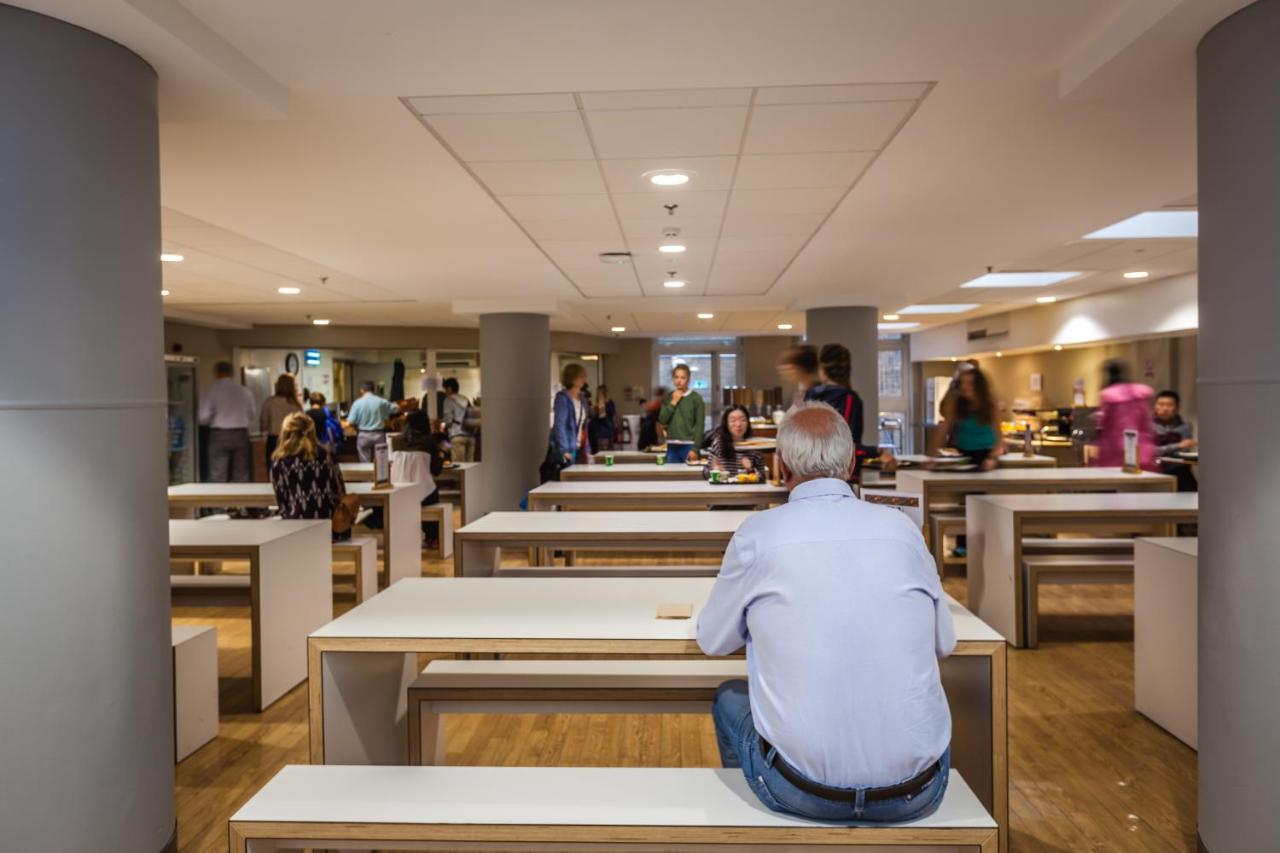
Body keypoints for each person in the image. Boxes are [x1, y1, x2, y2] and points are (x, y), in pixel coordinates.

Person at [697, 402, 954, 823]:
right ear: (852, 464)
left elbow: (713, 641)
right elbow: (945, 642)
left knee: (730, 697)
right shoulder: (903, 529)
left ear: (780, 466)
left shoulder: (757, 534)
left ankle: (759, 829)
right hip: (918, 789)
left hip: (803, 791)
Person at [804, 343, 893, 482]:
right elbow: (845, 447)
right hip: (842, 477)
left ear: (822, 369)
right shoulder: (850, 399)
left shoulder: (811, 396)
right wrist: (879, 452)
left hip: (810, 475)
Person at [268, 412, 350, 542]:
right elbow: (340, 490)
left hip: (296, 530)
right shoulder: (327, 456)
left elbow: (282, 503)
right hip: (330, 528)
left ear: (285, 434)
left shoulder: (280, 462)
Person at [928, 363, 1003, 472]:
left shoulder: (990, 405)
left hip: (988, 456)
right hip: (963, 455)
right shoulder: (957, 404)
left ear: (979, 386)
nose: (964, 387)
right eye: (962, 383)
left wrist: (992, 458)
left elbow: (999, 440)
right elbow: (943, 429)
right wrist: (932, 457)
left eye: (969, 383)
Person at [392, 410, 447, 548]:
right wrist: (442, 453)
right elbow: (436, 471)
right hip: (422, 493)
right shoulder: (429, 441)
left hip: (398, 491)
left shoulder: (396, 441)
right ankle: (432, 537)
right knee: (430, 489)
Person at [1089, 360, 1157, 470]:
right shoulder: (1142, 393)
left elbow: (1103, 422)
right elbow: (1147, 420)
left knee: (1116, 476)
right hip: (1142, 445)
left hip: (1114, 447)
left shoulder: (1108, 395)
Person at [198, 360, 257, 483]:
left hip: (219, 434)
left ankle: (220, 495)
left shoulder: (211, 390)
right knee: (241, 473)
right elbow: (252, 415)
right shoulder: (245, 391)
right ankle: (240, 495)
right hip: (241, 433)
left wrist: (213, 418)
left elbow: (203, 417)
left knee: (218, 473)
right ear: (232, 373)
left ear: (216, 373)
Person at [546, 363, 588, 478]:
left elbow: (584, 426)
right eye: (581, 376)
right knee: (565, 480)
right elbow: (559, 425)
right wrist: (563, 450)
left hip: (578, 448)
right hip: (567, 448)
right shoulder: (562, 399)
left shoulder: (583, 399)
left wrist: (587, 449)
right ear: (572, 379)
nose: (584, 379)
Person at [658, 364, 706, 464]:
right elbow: (662, 419)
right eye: (676, 377)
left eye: (682, 377)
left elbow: (700, 425)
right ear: (673, 379)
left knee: (689, 474)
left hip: (689, 446)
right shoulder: (668, 397)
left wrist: (695, 449)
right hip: (672, 446)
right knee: (671, 473)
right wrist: (673, 402)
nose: (679, 381)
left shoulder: (696, 398)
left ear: (688, 379)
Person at [1153, 389, 1198, 491]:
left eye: (1170, 405)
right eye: (1161, 404)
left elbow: (1183, 452)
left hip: (1180, 471)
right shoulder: (1147, 426)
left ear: (1177, 408)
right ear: (1155, 406)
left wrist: (1164, 449)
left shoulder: (1185, 426)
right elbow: (1150, 451)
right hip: (1155, 470)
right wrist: (1177, 445)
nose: (1165, 408)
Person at [705, 405, 765, 477]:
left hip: (746, 484)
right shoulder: (718, 443)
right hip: (724, 484)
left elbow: (762, 476)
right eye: (733, 421)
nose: (738, 424)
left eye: (743, 420)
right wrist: (714, 469)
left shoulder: (755, 445)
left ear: (748, 423)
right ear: (726, 424)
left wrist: (750, 469)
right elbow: (706, 473)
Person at [346, 380, 398, 462]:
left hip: (363, 435)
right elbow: (396, 409)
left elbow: (351, 422)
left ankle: (366, 469)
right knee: (381, 461)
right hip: (379, 435)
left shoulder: (357, 403)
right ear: (374, 390)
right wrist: (395, 404)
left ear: (362, 390)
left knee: (364, 461)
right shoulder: (382, 401)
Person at [259, 373, 303, 469]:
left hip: (274, 440)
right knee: (291, 469)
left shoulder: (269, 402)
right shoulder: (296, 405)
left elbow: (263, 425)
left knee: (273, 468)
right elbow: (301, 426)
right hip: (292, 440)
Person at [441, 378, 477, 462]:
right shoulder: (465, 399)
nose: (445, 392)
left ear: (449, 388)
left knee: (460, 466)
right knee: (470, 466)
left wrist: (443, 424)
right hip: (471, 437)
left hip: (457, 436)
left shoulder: (448, 400)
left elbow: (448, 420)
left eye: (445, 389)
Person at [776, 344, 820, 410]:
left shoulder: (818, 394)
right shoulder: (801, 392)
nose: (780, 368)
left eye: (787, 363)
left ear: (801, 368)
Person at [588, 383, 621, 453]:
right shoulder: (611, 402)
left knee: (602, 454)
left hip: (602, 433)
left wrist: (593, 409)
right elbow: (615, 415)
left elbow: (602, 416)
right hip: (609, 432)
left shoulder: (601, 404)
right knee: (609, 453)